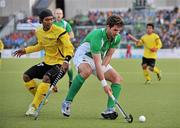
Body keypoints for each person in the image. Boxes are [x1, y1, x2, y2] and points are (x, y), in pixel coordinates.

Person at [61, 15, 124, 120]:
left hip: (99, 58)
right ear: (108, 27)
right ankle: (67, 102)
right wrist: (104, 84)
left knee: (117, 79)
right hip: (83, 56)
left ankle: (109, 110)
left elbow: (108, 55)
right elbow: (96, 63)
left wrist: (103, 70)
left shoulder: (117, 37)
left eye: (119, 30)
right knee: (87, 71)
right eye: (115, 30)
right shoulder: (97, 36)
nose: (117, 33)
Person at [13, 9, 74, 116]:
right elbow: (40, 45)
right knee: (26, 76)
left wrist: (66, 60)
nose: (50, 21)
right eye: (47, 20)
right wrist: (26, 50)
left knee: (46, 78)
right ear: (41, 21)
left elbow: (69, 47)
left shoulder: (60, 31)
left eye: (51, 19)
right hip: (47, 62)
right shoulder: (39, 32)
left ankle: (33, 107)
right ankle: (41, 98)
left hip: (60, 64)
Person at [53, 8, 75, 88]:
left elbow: (72, 35)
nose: (58, 15)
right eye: (57, 13)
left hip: (65, 49)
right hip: (55, 49)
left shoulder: (65, 24)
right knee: (54, 66)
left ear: (62, 15)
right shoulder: (51, 24)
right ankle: (53, 83)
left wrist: (64, 39)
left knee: (68, 67)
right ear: (54, 14)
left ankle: (71, 80)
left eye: (60, 13)